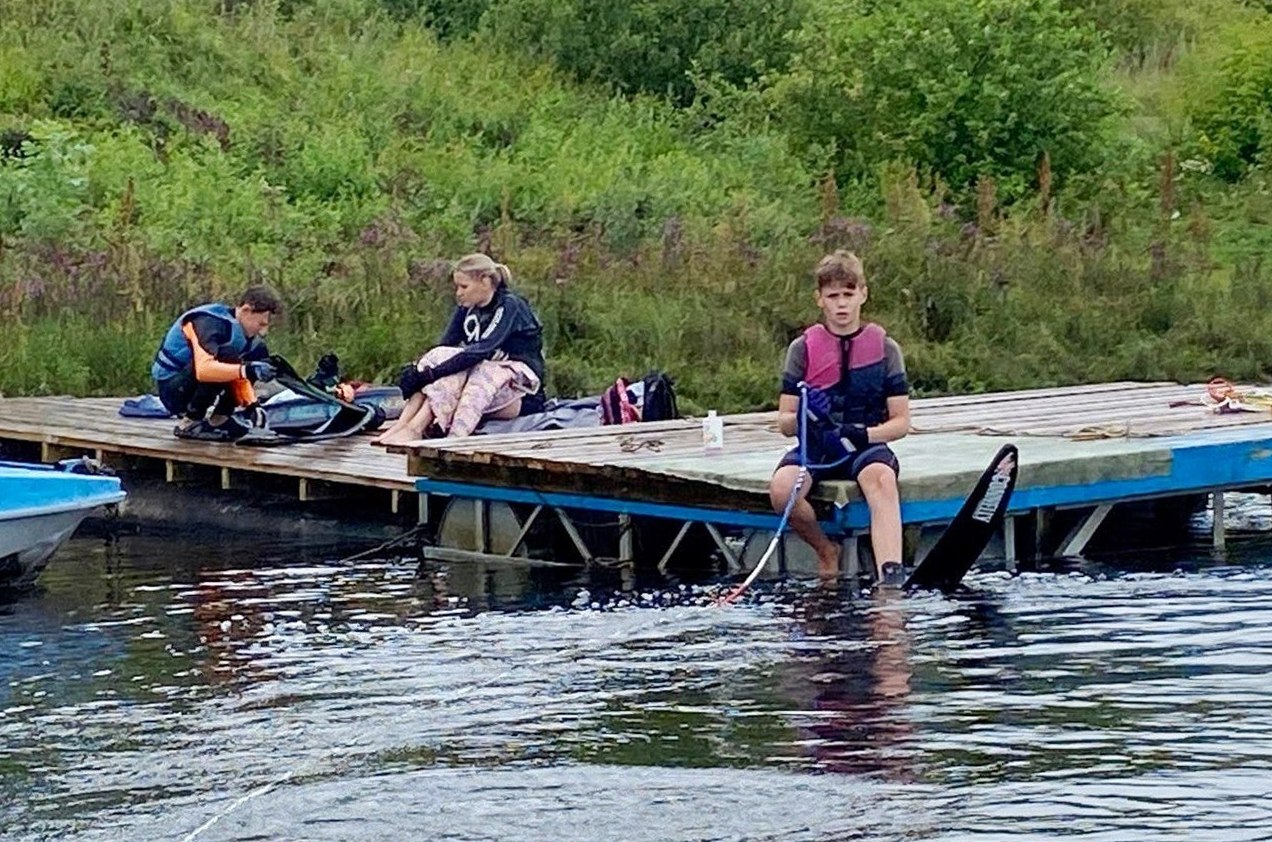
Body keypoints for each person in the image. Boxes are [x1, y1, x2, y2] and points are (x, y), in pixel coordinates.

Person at [769, 251, 911, 585]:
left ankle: (890, 576)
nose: (842, 304)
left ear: (863, 294)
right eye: (833, 296)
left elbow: (901, 423)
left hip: (865, 447)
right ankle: (825, 550)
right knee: (782, 489)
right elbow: (784, 422)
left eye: (848, 294)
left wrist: (863, 435)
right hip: (817, 449)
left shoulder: (887, 349)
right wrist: (805, 415)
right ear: (820, 299)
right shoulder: (801, 349)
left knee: (882, 480)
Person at [373, 254, 546, 446]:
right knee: (441, 358)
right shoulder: (468, 307)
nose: (458, 293)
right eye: (457, 287)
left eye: (464, 287)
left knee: (471, 369)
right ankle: (403, 425)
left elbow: (481, 351)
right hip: (480, 379)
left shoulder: (509, 305)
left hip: (519, 391)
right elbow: (445, 346)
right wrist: (419, 371)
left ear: (485, 281)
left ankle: (436, 433)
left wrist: (432, 374)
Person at [151, 285, 281, 441]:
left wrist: (251, 404)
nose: (263, 332)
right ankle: (189, 423)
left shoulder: (247, 337)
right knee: (226, 357)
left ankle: (220, 419)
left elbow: (240, 374)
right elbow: (204, 370)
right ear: (246, 310)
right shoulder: (207, 322)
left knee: (256, 354)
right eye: (261, 324)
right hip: (173, 388)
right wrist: (247, 370)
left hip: (197, 380)